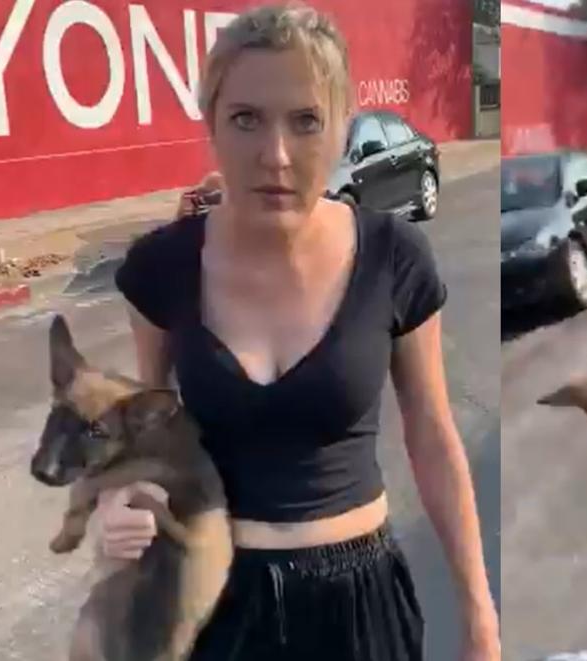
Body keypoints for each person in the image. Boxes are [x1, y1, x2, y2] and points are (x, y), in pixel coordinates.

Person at [97, 4, 499, 660]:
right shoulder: (162, 266)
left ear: (340, 129)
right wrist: (121, 498)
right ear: (211, 124)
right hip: (215, 609)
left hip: (362, 609)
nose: (276, 155)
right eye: (245, 119)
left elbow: (431, 434)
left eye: (306, 120)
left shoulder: (393, 257)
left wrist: (479, 614)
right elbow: (144, 430)